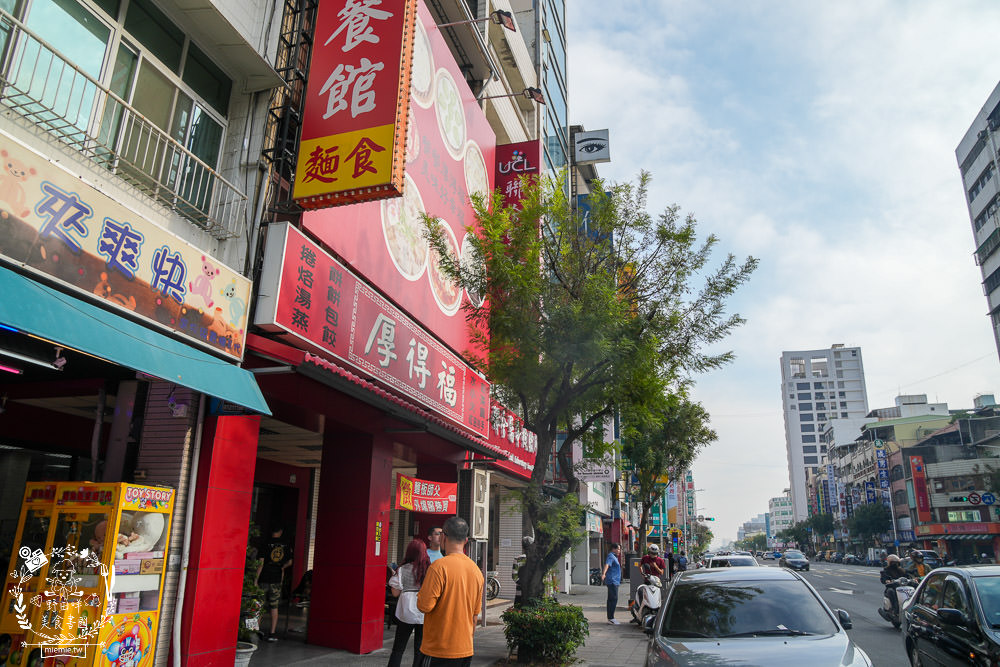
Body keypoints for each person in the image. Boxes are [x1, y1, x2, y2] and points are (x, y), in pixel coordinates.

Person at [417, 516, 484, 667]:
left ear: (443, 537)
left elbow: (424, 606)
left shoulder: (439, 567)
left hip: (438, 650)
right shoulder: (476, 571)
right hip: (465, 649)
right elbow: (474, 616)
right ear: (466, 540)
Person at [388, 539, 430, 667]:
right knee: (420, 649)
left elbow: (395, 593)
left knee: (398, 648)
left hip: (406, 612)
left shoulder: (402, 569)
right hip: (424, 612)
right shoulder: (430, 569)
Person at [254, 525, 293, 642]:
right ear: (280, 531)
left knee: (259, 605)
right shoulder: (286, 545)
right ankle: (272, 633)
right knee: (274, 606)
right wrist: (282, 568)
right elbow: (290, 562)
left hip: (264, 578)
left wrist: (255, 580)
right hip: (276, 579)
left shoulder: (265, 543)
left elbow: (260, 563)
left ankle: (256, 631)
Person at [600, 542, 622, 625]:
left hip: (615, 581)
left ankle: (610, 617)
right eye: (618, 549)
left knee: (611, 599)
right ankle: (611, 618)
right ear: (614, 549)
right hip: (612, 581)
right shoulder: (611, 556)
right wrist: (604, 574)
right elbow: (607, 565)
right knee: (613, 599)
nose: (619, 551)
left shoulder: (614, 557)